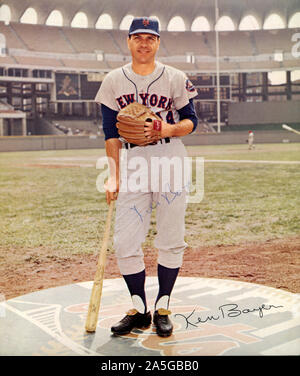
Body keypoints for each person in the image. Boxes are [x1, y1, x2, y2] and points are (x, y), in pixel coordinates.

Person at [95, 17, 198, 337]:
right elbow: (111, 132)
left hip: (170, 157)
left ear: (157, 42)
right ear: (128, 42)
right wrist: (113, 176)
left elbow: (192, 121)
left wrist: (168, 128)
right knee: (125, 240)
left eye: (150, 38)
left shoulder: (175, 77)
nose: (143, 43)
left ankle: (163, 305)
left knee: (171, 235)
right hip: (132, 160)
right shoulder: (113, 80)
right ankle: (139, 308)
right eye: (137, 37)